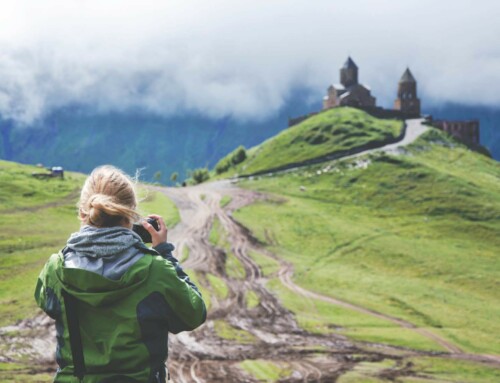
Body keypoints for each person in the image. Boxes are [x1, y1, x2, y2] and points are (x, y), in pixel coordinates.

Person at [34, 165, 206, 383]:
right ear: (130, 216)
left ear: (82, 213)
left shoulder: (55, 269)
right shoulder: (155, 269)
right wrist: (164, 253)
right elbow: (193, 314)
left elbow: (46, 302)